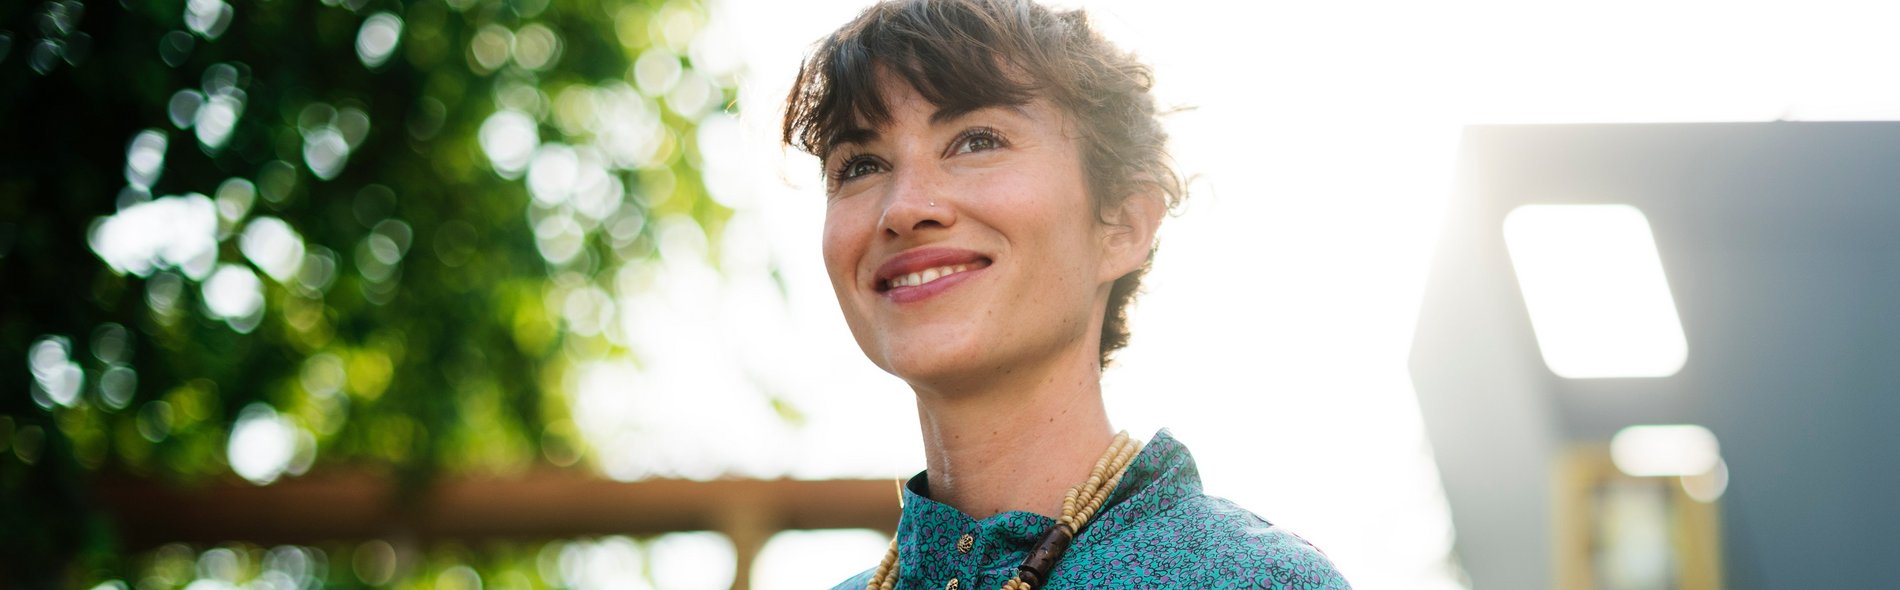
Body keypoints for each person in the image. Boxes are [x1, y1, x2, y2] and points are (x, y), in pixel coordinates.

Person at [781, 0, 1351, 587]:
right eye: (861, 165)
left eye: (976, 141)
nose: (902, 208)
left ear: (1123, 226)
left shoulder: (1249, 578)